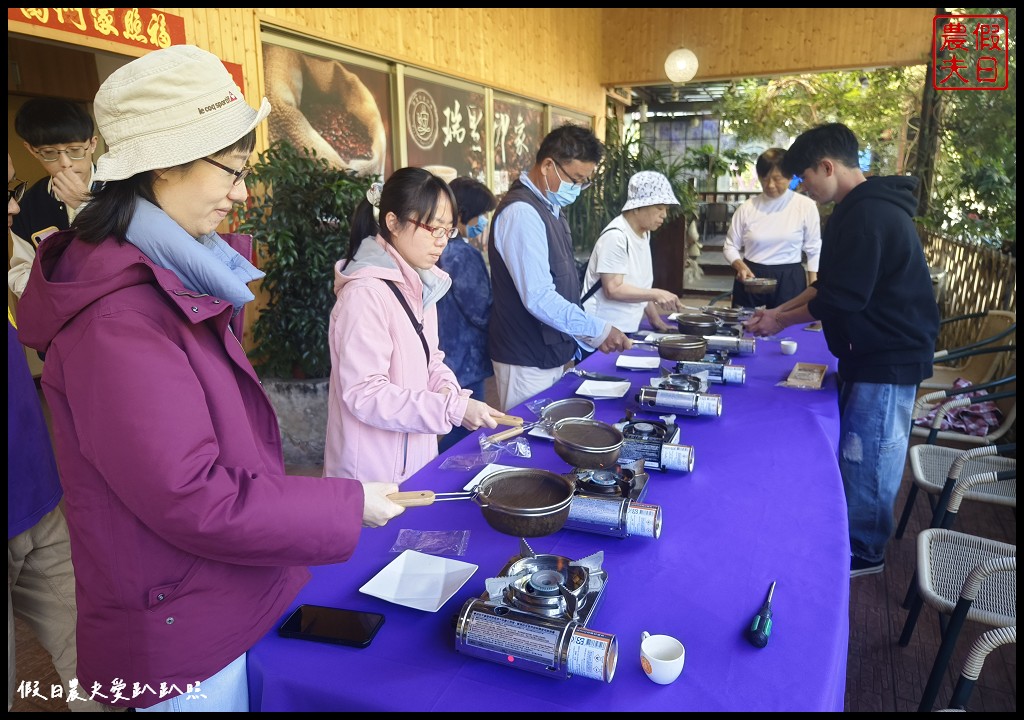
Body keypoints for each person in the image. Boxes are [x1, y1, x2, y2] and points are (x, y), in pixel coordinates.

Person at [14, 45, 406, 712]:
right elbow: (191, 495)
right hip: (178, 632)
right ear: (162, 165)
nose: (242, 193)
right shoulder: (119, 320)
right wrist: (345, 504)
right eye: (230, 171)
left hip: (214, 595)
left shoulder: (176, 270)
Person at [744, 123, 939, 578]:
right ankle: (851, 535)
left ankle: (863, 552)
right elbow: (826, 287)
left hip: (887, 355)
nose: (803, 188)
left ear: (827, 166)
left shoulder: (870, 215)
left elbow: (840, 299)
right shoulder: (858, 209)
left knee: (870, 454)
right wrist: (778, 310)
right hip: (867, 350)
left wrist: (779, 319)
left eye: (805, 178)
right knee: (857, 449)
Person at [325, 168, 504, 484]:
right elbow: (365, 394)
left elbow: (431, 359)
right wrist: (450, 408)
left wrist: (449, 391)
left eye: (447, 231)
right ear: (393, 222)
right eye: (432, 228)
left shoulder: (421, 283)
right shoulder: (365, 294)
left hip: (413, 458)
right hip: (372, 473)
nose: (441, 243)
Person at [7, 155, 109, 713]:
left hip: (41, 507)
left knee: (95, 666)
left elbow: (61, 307)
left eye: (13, 189)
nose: (15, 206)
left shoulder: (13, 263)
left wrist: (86, 212)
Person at [488, 125, 633, 411]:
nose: (577, 188)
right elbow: (539, 296)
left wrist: (583, 336)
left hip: (549, 351)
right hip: (525, 356)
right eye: (575, 179)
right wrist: (597, 330)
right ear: (548, 166)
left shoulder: (551, 207)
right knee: (526, 439)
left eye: (584, 182)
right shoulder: (522, 213)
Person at [10, 98, 99, 298]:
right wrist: (52, 297)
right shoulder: (26, 207)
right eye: (49, 153)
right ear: (32, 150)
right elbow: (21, 270)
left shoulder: (123, 188)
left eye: (75, 150)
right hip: (61, 311)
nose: (65, 163)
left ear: (92, 144)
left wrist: (86, 205)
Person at [436, 176, 498, 453]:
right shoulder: (463, 255)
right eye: (481, 215)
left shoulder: (436, 250)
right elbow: (481, 309)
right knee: (467, 428)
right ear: (461, 215)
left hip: (442, 353)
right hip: (467, 357)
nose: (483, 221)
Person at [581, 170, 682, 333]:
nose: (664, 215)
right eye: (659, 207)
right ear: (636, 208)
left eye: (666, 209)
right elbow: (612, 289)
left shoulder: (644, 233)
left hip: (623, 329)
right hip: (600, 330)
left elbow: (639, 287)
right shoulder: (616, 236)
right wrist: (656, 294)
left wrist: (656, 321)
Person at [722, 147, 821, 309]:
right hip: (752, 276)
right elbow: (730, 246)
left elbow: (814, 250)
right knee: (746, 327)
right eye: (764, 178)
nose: (770, 185)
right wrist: (740, 266)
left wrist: (814, 289)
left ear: (790, 177)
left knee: (789, 329)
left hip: (789, 279)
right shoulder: (747, 208)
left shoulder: (806, 206)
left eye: (777, 178)